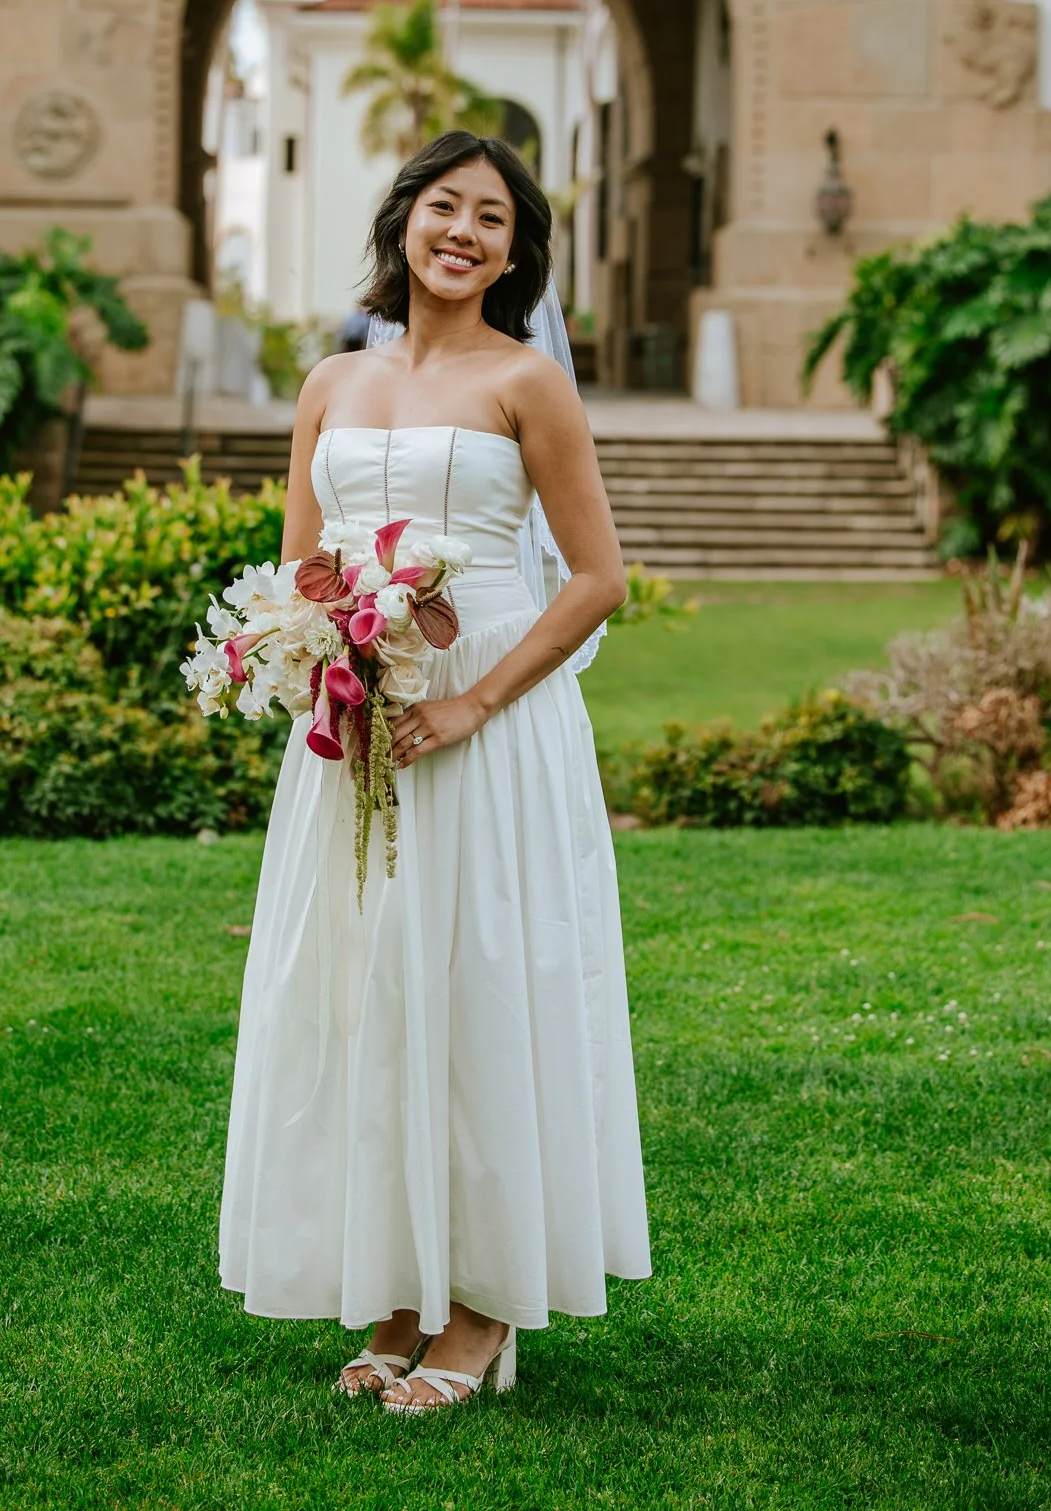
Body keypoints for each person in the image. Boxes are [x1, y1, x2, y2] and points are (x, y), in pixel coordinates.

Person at [218, 130, 651, 1412]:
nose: (463, 231)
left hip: (489, 724)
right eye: (444, 206)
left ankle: (477, 1317)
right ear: (404, 220)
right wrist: (315, 649)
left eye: (494, 220)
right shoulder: (328, 384)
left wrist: (471, 700)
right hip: (358, 733)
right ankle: (397, 1295)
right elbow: (302, 565)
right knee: (372, 993)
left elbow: (597, 578)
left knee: (479, 991)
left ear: (515, 254)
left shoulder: (529, 382)